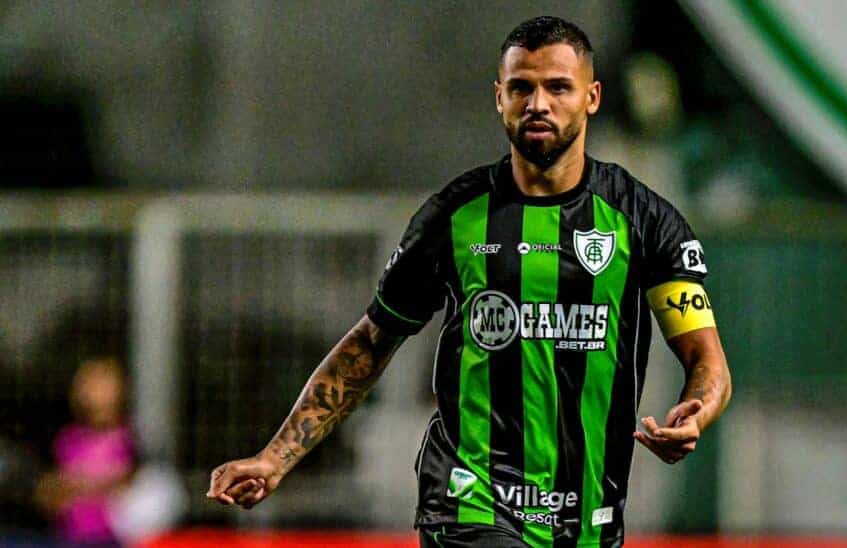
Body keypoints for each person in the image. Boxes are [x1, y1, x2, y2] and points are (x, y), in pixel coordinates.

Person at [207, 16, 731, 548]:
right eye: (521, 88)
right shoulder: (454, 217)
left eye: (558, 88)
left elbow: (705, 358)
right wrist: (275, 457)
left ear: (591, 97)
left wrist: (698, 409)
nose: (538, 104)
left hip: (588, 516)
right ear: (499, 97)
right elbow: (370, 342)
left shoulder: (644, 220)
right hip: (469, 501)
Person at [36, 357, 137, 546]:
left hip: (112, 537)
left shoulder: (127, 438)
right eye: (92, 385)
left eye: (105, 385)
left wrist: (78, 483)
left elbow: (124, 479)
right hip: (71, 535)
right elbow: (51, 491)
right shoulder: (68, 439)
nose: (99, 393)